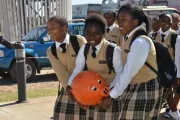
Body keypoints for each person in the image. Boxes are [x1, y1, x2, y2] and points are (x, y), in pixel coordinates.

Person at [100, 4, 163, 119]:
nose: (119, 23)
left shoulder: (140, 42)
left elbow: (128, 72)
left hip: (144, 88)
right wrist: (111, 90)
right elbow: (124, 70)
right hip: (135, 86)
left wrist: (111, 96)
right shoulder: (128, 38)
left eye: (124, 20)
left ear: (135, 22)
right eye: (118, 20)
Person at [67, 14, 123, 120]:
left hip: (108, 96)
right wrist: (70, 86)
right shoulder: (85, 48)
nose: (91, 37)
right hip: (90, 95)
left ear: (103, 33)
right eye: (87, 33)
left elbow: (120, 74)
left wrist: (110, 95)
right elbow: (78, 69)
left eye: (96, 33)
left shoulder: (113, 50)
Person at [46, 16, 87, 120]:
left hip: (87, 87)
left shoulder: (78, 41)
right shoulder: (51, 51)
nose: (49, 31)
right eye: (48, 28)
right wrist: (74, 94)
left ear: (64, 28)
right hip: (69, 90)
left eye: (53, 27)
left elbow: (90, 62)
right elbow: (62, 75)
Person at [155, 13, 180, 119]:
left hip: (169, 71)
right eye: (163, 21)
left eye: (168, 21)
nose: (166, 23)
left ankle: (175, 112)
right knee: (163, 91)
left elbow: (178, 57)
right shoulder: (154, 35)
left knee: (168, 91)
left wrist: (177, 75)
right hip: (156, 70)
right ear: (159, 22)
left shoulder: (175, 37)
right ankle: (173, 112)